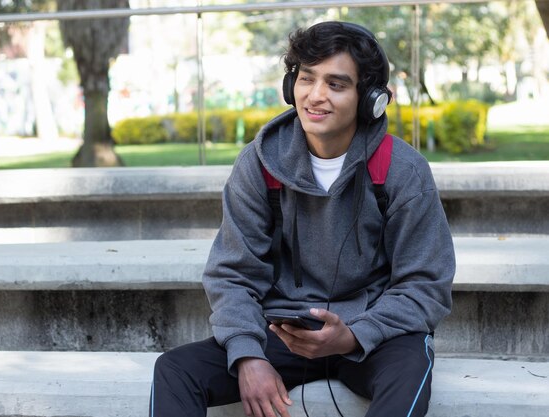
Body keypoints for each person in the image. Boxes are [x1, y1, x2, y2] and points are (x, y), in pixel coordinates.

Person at [150, 21, 455, 417]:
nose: (316, 96)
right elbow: (232, 274)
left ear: (372, 98)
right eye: (306, 79)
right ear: (289, 84)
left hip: (372, 333)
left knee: (410, 368)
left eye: (336, 84)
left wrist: (353, 336)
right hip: (285, 333)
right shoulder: (259, 164)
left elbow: (426, 285)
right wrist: (248, 356)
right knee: (175, 370)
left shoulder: (402, 170)